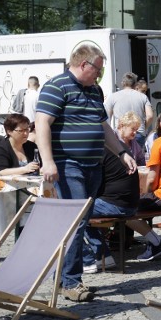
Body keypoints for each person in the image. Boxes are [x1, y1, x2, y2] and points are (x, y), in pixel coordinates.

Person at [35, 43, 137, 303]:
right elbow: (42, 122)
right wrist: (48, 161)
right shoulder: (57, 86)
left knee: (77, 222)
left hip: (93, 167)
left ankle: (61, 277)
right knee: (76, 222)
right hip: (68, 164)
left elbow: (102, 127)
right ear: (84, 65)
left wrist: (122, 152)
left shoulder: (94, 90)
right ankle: (72, 282)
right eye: (98, 70)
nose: (100, 76)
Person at [82, 113, 161, 271]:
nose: (135, 133)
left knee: (78, 212)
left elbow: (94, 183)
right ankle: (105, 254)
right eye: (133, 129)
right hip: (129, 202)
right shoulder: (120, 147)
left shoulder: (100, 150)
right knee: (89, 211)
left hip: (118, 204)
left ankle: (97, 257)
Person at [0, 114, 39, 233]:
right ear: (9, 131)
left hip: (25, 192)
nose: (26, 133)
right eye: (21, 130)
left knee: (40, 206)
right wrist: (24, 169)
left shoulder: (31, 146)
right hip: (1, 194)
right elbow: (2, 172)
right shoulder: (1, 149)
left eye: (27, 129)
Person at [104, 72, 153, 148]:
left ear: (123, 83)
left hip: (121, 134)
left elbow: (107, 117)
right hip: (138, 133)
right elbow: (150, 116)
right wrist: (143, 128)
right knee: (137, 158)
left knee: (122, 158)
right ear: (135, 84)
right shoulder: (143, 97)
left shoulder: (113, 97)